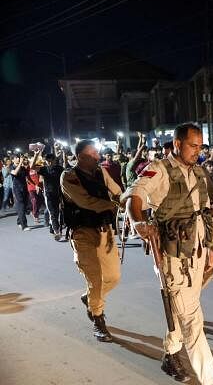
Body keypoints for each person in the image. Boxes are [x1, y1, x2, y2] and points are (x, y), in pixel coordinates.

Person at [123, 123, 213, 385]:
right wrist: (137, 222)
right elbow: (135, 196)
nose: (198, 151)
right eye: (193, 145)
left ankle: (170, 353)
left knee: (184, 309)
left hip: (200, 252)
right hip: (174, 256)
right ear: (178, 144)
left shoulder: (200, 171)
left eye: (200, 146)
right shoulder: (159, 169)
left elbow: (205, 211)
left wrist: (211, 249)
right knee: (192, 317)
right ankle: (211, 379)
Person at [60, 140, 122, 342]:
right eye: (93, 154)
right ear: (80, 157)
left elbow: (118, 192)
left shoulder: (100, 173)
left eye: (97, 153)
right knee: (95, 280)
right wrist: (111, 205)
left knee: (113, 277)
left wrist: (129, 203)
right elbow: (85, 201)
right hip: (83, 234)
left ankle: (90, 299)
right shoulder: (69, 176)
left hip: (105, 231)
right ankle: (98, 319)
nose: (98, 156)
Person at [38, 153, 65, 240]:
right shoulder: (44, 169)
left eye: (50, 161)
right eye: (47, 161)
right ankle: (57, 232)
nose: (49, 162)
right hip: (48, 194)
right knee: (53, 213)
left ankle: (53, 228)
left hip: (59, 193)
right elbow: (32, 167)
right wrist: (36, 154)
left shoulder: (59, 168)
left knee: (59, 212)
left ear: (54, 160)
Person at [11, 152, 39, 230]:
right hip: (17, 189)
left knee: (24, 206)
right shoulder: (12, 167)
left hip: (24, 188)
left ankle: (19, 221)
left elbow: (28, 176)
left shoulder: (23, 168)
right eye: (16, 158)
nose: (18, 159)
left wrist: (35, 184)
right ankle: (24, 225)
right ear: (13, 160)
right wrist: (20, 163)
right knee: (21, 206)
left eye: (18, 157)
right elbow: (15, 173)